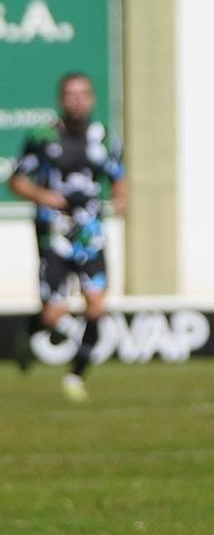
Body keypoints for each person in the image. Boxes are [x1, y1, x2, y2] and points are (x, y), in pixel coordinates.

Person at [10, 72, 125, 401]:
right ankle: (29, 333)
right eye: (70, 94)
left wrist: (121, 198)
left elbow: (118, 174)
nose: (77, 100)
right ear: (61, 100)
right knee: (54, 312)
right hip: (54, 234)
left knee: (96, 305)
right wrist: (41, 195)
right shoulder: (44, 137)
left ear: (92, 100)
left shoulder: (103, 138)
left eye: (83, 94)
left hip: (90, 234)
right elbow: (17, 180)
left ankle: (75, 377)